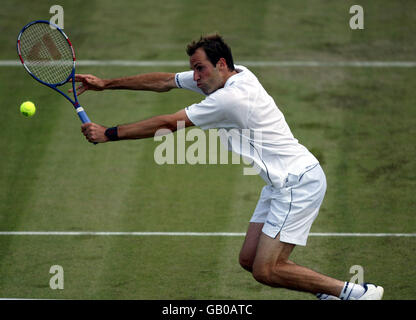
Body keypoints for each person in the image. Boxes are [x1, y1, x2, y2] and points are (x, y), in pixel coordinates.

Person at [75, 34, 383, 300]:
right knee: (249, 260)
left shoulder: (230, 100)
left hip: (296, 182)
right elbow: (165, 81)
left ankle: (354, 292)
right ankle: (332, 293)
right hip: (279, 183)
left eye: (200, 69)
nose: (195, 76)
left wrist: (108, 133)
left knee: (267, 270)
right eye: (194, 69)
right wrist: (106, 84)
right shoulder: (237, 74)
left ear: (221, 64)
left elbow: (169, 123)